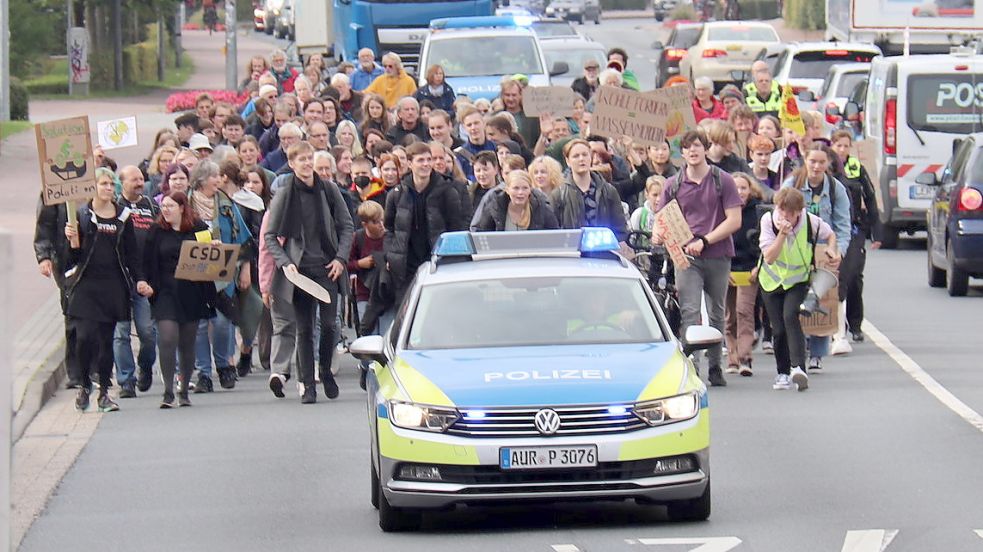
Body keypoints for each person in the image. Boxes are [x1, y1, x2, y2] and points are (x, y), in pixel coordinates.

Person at [264, 141, 354, 403]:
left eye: (308, 158)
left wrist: (340, 258)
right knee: (304, 329)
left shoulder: (328, 189)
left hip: (327, 268)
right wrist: (284, 262)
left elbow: (347, 226)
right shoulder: (284, 193)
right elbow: (270, 236)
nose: (306, 163)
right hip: (299, 273)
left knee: (329, 326)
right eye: (300, 160)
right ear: (291, 164)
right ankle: (307, 384)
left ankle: (325, 369)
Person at [654, 130, 742, 387]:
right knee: (689, 311)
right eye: (687, 147)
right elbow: (662, 219)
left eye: (697, 146)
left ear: (705, 149)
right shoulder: (673, 184)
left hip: (717, 253)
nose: (692, 151)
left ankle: (715, 366)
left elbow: (733, 219)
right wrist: (660, 235)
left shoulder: (722, 180)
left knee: (716, 311)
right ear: (681, 153)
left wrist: (705, 240)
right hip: (685, 257)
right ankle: (692, 368)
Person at [64, 168, 145, 412]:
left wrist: (139, 279)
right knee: (85, 337)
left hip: (113, 285)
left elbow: (132, 254)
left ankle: (103, 393)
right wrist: (71, 239)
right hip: (87, 285)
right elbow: (72, 257)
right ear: (93, 187)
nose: (109, 188)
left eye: (111, 184)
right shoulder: (82, 215)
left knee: (105, 341)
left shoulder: (124, 216)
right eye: (103, 184)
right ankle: (85, 385)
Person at [138, 192, 216, 407]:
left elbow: (209, 258)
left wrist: (215, 249)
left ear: (182, 207)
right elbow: (145, 261)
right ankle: (168, 390)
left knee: (187, 342)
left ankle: (184, 389)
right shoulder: (156, 231)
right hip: (164, 290)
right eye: (163, 206)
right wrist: (143, 281)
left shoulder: (198, 228)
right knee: (168, 336)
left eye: (170, 205)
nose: (166, 209)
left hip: (191, 290)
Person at [758, 187, 839, 391]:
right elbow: (769, 257)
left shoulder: (811, 222)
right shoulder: (768, 221)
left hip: (798, 280)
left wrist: (831, 248)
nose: (786, 216)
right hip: (771, 281)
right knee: (778, 329)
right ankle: (782, 372)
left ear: (799, 211)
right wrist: (782, 235)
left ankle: (798, 368)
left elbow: (830, 235)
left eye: (792, 213)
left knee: (790, 316)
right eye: (782, 210)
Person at [781, 142, 852, 372]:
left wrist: (838, 250)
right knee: (797, 300)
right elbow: (779, 214)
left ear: (828, 163)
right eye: (812, 161)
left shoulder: (835, 188)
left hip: (824, 249)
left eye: (821, 162)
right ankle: (801, 347)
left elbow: (842, 224)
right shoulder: (793, 184)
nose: (816, 166)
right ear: (805, 159)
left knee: (821, 299)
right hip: (795, 249)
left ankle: (817, 353)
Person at [189, 160, 254, 392]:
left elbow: (244, 238)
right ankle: (203, 374)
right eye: (214, 176)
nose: (219, 180)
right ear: (202, 179)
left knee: (222, 322)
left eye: (218, 176)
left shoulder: (227, 204)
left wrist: (245, 268)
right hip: (195, 269)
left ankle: (224, 366)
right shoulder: (187, 204)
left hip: (224, 269)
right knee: (198, 324)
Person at [384, 142, 465, 306]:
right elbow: (390, 229)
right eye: (421, 160)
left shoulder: (447, 192)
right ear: (409, 163)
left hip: (437, 262)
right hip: (406, 266)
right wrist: (391, 255)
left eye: (429, 159)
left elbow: (456, 227)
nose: (426, 164)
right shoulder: (396, 194)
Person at [830, 130, 882, 349]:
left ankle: (855, 324)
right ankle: (833, 326)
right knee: (836, 278)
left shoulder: (856, 168)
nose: (842, 150)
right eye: (838, 146)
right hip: (833, 228)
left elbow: (870, 198)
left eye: (845, 146)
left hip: (855, 228)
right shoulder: (827, 168)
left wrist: (875, 232)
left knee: (852, 277)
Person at [113, 166, 160, 398]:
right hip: (119, 279)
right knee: (120, 332)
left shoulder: (151, 206)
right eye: (134, 179)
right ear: (122, 183)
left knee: (148, 332)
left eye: (141, 179)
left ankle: (145, 366)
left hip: (144, 279)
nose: (139, 182)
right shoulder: (114, 208)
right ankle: (126, 381)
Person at [347, 201, 392, 390]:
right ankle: (366, 368)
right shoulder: (357, 238)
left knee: (386, 334)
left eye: (382, 220)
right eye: (375, 222)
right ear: (365, 224)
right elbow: (346, 263)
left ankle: (385, 375)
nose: (381, 225)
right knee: (369, 333)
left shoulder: (390, 237)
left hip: (387, 291)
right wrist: (360, 264)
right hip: (365, 292)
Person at [550, 139, 628, 242]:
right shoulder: (559, 195)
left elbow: (620, 228)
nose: (581, 159)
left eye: (585, 154)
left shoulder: (609, 191)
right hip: (572, 254)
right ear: (568, 161)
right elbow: (553, 232)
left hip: (603, 252)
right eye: (576, 156)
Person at [724, 173, 763, 377]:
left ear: (750, 190)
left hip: (749, 269)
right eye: (736, 188)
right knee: (729, 316)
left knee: (744, 311)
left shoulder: (757, 212)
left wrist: (759, 266)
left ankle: (745, 356)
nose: (739, 192)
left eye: (743, 188)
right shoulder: (722, 209)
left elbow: (765, 241)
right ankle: (732, 357)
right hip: (727, 267)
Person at [477, 170, 558, 231]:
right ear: (507, 190)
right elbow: (481, 233)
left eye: (525, 188)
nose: (520, 192)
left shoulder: (542, 207)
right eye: (516, 188)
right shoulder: (494, 207)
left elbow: (554, 236)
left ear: (530, 189)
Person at [455, 106, 498, 180]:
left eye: (476, 123)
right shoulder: (459, 154)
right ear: (464, 127)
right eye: (469, 125)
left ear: (484, 123)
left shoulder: (496, 147)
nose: (473, 128)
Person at [500, 78, 541, 148]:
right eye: (507, 95)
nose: (511, 99)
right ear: (502, 96)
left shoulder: (532, 118)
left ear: (520, 95)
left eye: (514, 95)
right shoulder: (496, 117)